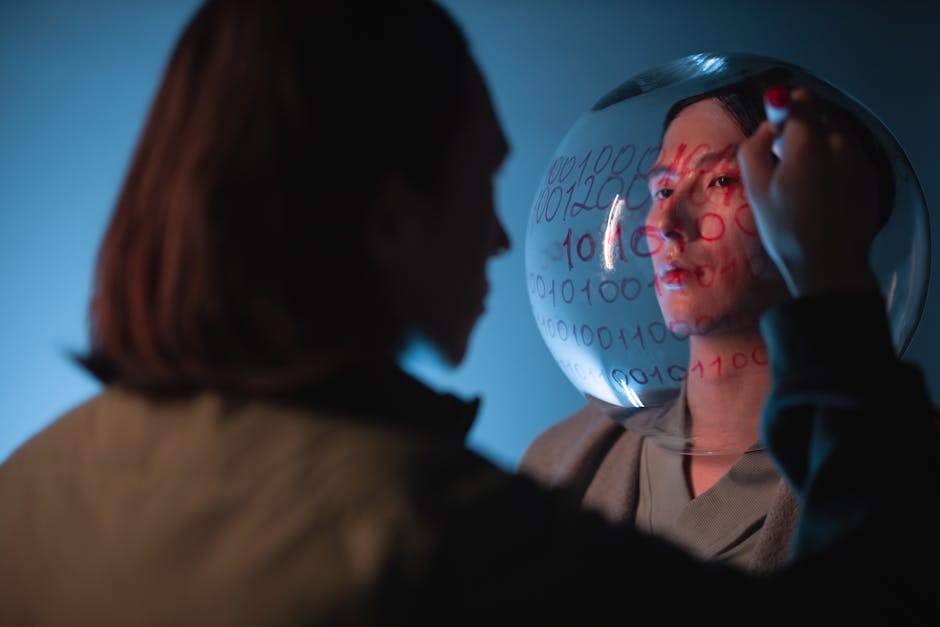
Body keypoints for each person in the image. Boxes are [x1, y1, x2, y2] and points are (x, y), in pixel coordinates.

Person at [0, 1, 936, 625]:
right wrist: (836, 292)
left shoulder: (28, 486)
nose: (500, 236)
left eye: (723, 181)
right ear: (390, 216)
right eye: (479, 184)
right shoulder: (431, 528)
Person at [519, 70, 901, 573]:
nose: (664, 223)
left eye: (720, 179)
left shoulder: (905, 469)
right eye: (662, 189)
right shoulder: (555, 465)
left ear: (818, 206)